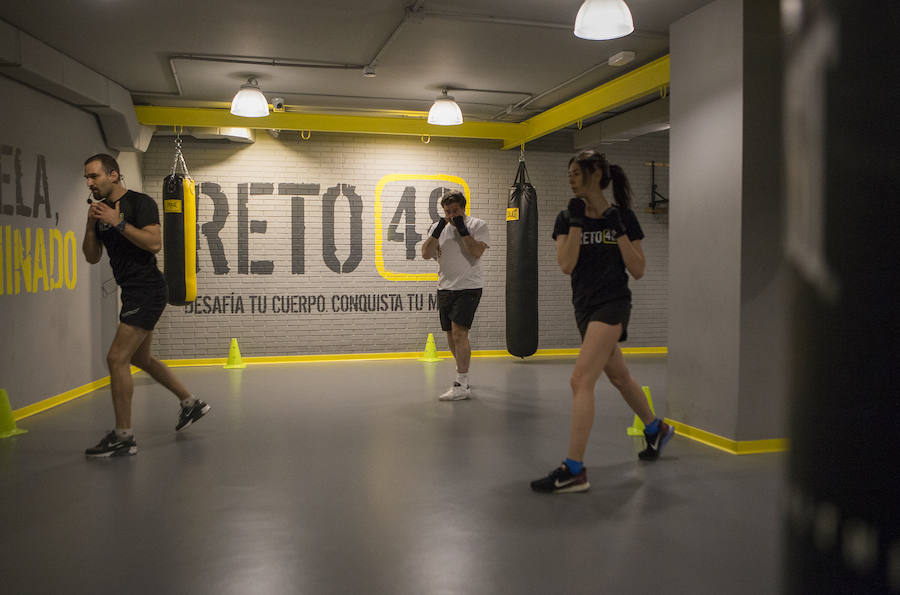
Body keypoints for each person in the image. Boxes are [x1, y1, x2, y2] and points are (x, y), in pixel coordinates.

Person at [530, 150, 674, 493]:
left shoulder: (624, 217)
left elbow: (638, 269)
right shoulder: (567, 217)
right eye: (570, 173)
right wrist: (579, 223)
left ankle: (575, 469)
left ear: (596, 174)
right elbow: (566, 265)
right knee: (621, 378)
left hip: (613, 305)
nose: (571, 178)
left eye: (577, 172)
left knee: (580, 381)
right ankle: (656, 429)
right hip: (584, 307)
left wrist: (617, 229)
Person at [81, 153, 209, 457]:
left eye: (94, 176)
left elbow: (153, 243)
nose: (90, 183)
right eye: (86, 178)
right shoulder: (98, 212)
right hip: (133, 291)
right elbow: (91, 256)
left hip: (147, 289)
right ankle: (191, 404)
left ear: (113, 175)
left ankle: (124, 436)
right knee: (141, 359)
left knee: (116, 359)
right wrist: (90, 225)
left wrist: (118, 221)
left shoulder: (140, 204)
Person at [421, 190, 490, 401]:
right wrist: (437, 231)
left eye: (455, 211)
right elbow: (425, 254)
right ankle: (464, 377)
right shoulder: (438, 227)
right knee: (451, 336)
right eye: (448, 212)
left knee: (460, 333)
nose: (451, 215)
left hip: (469, 287)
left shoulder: (478, 225)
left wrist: (461, 228)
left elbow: (476, 252)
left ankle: (461, 383)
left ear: (463, 208)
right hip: (445, 288)